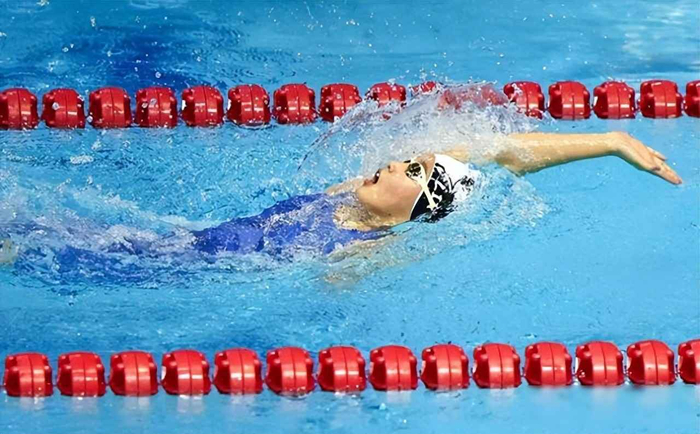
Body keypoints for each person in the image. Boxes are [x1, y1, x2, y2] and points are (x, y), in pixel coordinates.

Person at [0, 87, 682, 266]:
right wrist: (610, 140)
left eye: (411, 170)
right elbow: (497, 151)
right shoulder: (348, 197)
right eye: (406, 157)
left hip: (157, 266)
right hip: (164, 242)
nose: (394, 160)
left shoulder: (362, 246)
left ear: (418, 208)